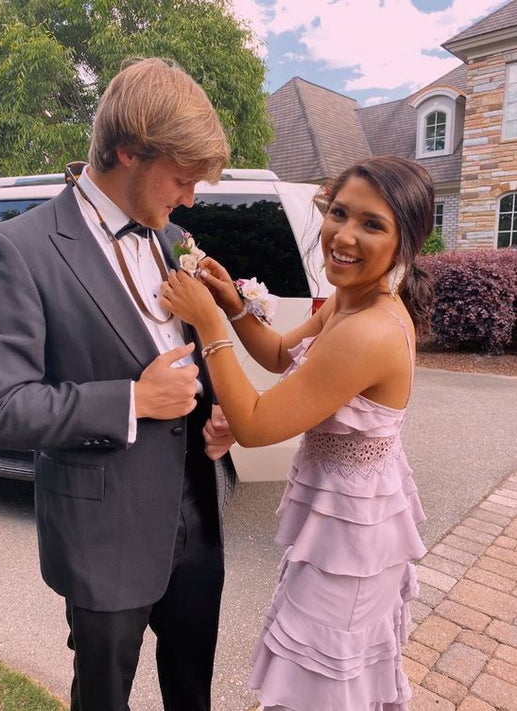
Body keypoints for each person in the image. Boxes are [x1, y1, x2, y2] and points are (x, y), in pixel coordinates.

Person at [0, 57, 235, 711]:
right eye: (181, 178)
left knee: (194, 692)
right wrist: (132, 400)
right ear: (128, 151)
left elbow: (181, 351)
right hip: (104, 534)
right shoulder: (18, 249)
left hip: (197, 520)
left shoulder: (173, 236)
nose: (189, 198)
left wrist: (214, 408)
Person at [160, 155, 434, 710]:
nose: (344, 236)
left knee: (323, 682)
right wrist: (232, 305)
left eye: (372, 224)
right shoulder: (348, 303)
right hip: (339, 524)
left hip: (351, 540)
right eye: (339, 213)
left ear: (405, 243)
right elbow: (281, 353)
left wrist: (208, 324)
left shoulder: (370, 330)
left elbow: (255, 425)